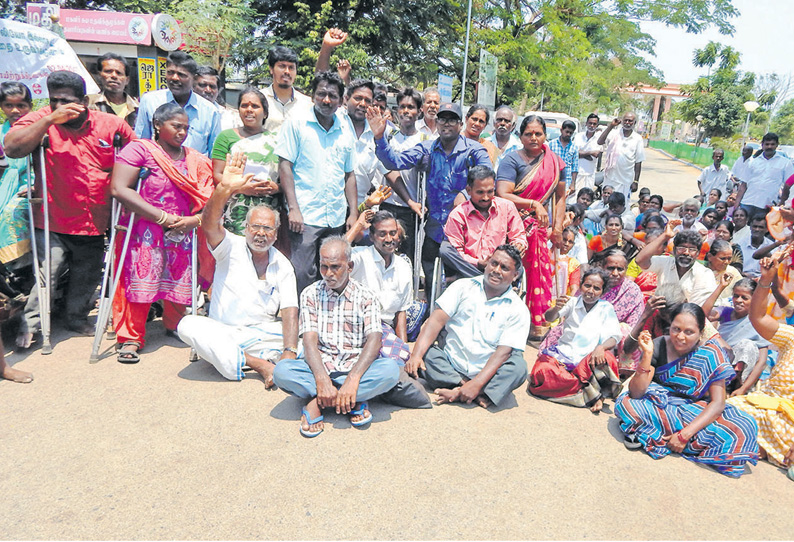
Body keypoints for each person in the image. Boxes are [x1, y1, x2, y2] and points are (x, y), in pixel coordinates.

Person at [4, 71, 135, 348]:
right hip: (53, 216)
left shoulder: (111, 124)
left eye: (68, 101)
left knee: (87, 273)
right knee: (47, 273)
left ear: (84, 101)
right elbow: (13, 148)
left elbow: (136, 156)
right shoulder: (41, 119)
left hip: (94, 216)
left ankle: (75, 317)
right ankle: (33, 326)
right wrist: (50, 119)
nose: (61, 106)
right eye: (55, 101)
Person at [177, 152, 298, 385]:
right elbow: (209, 223)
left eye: (268, 229)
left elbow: (290, 310)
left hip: (262, 334)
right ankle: (258, 363)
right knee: (188, 325)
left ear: (276, 233)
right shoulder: (230, 245)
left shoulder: (282, 264)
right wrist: (224, 189)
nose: (261, 233)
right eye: (256, 227)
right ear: (245, 228)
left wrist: (290, 351)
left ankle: (235, 357)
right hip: (226, 331)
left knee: (304, 339)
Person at [110, 103, 213, 362]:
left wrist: (194, 220)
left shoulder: (194, 158)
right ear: (158, 125)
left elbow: (209, 196)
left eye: (186, 128)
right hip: (145, 228)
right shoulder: (140, 149)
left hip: (182, 228)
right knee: (140, 279)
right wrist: (162, 217)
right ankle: (131, 337)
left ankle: (176, 324)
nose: (182, 133)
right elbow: (119, 188)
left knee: (179, 276)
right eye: (176, 126)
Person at [272, 236, 400, 438]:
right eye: (324, 267)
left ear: (349, 266)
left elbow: (374, 340)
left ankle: (319, 401)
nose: (328, 274)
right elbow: (309, 341)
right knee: (282, 371)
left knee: (391, 370)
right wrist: (322, 379)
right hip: (319, 369)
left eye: (335, 267)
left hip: (356, 368)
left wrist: (353, 379)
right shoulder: (310, 294)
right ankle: (350, 401)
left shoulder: (367, 296)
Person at [615, 303, 759, 478]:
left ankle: (657, 435)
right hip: (662, 405)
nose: (680, 337)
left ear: (701, 332)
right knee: (625, 404)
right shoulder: (659, 345)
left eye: (689, 332)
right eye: (676, 329)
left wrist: (684, 435)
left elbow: (718, 403)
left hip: (695, 410)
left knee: (745, 425)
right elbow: (637, 392)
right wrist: (646, 356)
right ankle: (679, 439)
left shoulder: (711, 354)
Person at [370, 102, 491, 282]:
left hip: (465, 230)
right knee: (430, 277)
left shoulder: (474, 151)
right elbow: (393, 162)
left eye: (452, 120)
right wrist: (380, 137)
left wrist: (465, 195)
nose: (446, 123)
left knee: (460, 282)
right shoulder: (427, 147)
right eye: (442, 119)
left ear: (460, 124)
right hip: (435, 228)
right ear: (437, 122)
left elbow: (488, 176)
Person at [406, 245, 530, 408]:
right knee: (427, 354)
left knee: (518, 368)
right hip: (452, 364)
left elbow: (503, 353)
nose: (496, 270)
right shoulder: (462, 287)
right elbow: (435, 321)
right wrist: (415, 355)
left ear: (515, 276)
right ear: (487, 263)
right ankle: (475, 391)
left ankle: (464, 391)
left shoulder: (518, 309)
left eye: (504, 268)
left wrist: (477, 382)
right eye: (494, 263)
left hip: (489, 372)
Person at [276, 71, 357, 294]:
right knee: (302, 272)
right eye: (321, 94)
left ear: (341, 100)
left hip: (336, 217)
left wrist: (353, 214)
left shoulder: (345, 126)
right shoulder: (297, 123)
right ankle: (303, 321)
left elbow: (349, 174)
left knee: (335, 271)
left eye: (332, 95)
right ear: (313, 96)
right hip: (305, 217)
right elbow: (285, 166)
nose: (326, 100)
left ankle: (328, 319)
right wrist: (293, 208)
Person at [495, 115, 566, 339]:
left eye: (538, 133)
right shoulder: (511, 160)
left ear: (545, 135)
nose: (534, 138)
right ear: (521, 135)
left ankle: (538, 321)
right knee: (508, 272)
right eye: (529, 134)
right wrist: (533, 204)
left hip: (540, 227)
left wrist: (557, 229)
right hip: (512, 224)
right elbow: (503, 193)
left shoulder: (555, 162)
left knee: (539, 273)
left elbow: (561, 197)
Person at [727, 254, 794, 479]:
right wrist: (765, 282)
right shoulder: (792, 338)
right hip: (762, 407)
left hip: (789, 427)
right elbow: (757, 318)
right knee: (726, 410)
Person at [529, 268, 623, 413]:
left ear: (603, 292)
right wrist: (556, 308)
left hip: (588, 361)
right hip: (564, 355)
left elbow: (615, 336)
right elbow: (549, 318)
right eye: (587, 285)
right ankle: (589, 393)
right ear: (581, 286)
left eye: (596, 288)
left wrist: (601, 348)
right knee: (541, 371)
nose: (590, 291)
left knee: (608, 358)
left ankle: (583, 392)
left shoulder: (606, 308)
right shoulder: (571, 302)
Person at [210, 87, 282, 237]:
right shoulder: (226, 137)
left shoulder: (278, 140)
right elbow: (217, 174)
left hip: (269, 207)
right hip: (236, 207)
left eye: (255, 106)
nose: (249, 110)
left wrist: (277, 188)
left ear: (265, 113)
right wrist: (241, 188)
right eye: (244, 106)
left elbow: (287, 177)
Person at [441, 165, 526, 278]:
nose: (486, 197)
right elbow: (457, 251)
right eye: (480, 192)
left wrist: (518, 244)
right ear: (469, 191)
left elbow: (518, 235)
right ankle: (484, 280)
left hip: (500, 268)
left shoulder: (507, 207)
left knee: (517, 264)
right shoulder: (458, 214)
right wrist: (478, 263)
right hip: (470, 269)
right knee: (445, 249)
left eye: (490, 192)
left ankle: (490, 280)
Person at [135, 51, 221, 156]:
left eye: (181, 74)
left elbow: (215, 152)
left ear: (193, 78)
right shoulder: (150, 101)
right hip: (158, 169)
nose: (174, 78)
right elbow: (141, 144)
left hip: (195, 170)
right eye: (170, 72)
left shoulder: (209, 111)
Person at [378, 87, 427, 263]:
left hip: (410, 210)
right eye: (402, 106)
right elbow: (389, 171)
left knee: (406, 256)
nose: (406, 111)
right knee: (383, 252)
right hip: (388, 204)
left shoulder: (424, 140)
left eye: (411, 107)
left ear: (419, 111)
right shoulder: (388, 136)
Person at [702, 276, 769, 394]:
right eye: (736, 296)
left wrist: (743, 389)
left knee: (747, 345)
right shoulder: (726, 312)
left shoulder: (759, 323)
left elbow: (762, 361)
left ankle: (732, 386)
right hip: (719, 362)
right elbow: (702, 315)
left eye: (744, 298)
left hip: (740, 378)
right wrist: (721, 287)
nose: (738, 300)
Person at [635, 221, 717, 305]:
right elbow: (640, 260)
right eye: (681, 248)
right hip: (660, 311)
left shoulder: (705, 274)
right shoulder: (665, 262)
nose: (686, 252)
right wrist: (665, 236)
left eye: (692, 249)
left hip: (686, 315)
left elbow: (696, 308)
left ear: (698, 253)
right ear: (674, 250)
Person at [0, 82, 33, 269]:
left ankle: (19, 268)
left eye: (21, 105)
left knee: (10, 213)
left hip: (30, 186)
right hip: (3, 184)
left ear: (30, 106)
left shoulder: (38, 132)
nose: (15, 110)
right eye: (8, 105)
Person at [736, 133, 794, 218]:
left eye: (772, 144)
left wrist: (782, 203)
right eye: (767, 144)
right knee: (741, 230)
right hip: (747, 203)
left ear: (777, 145)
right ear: (762, 145)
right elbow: (743, 185)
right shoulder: (752, 162)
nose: (769, 147)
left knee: (761, 230)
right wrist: (737, 204)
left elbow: (788, 186)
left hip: (767, 206)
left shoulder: (785, 163)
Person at [262, 46, 312, 134]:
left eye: (291, 67)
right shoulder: (258, 100)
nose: (287, 72)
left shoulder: (307, 104)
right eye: (282, 66)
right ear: (271, 69)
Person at [597, 112, 645, 200]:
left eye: (630, 121)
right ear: (622, 121)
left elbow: (638, 162)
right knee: (606, 203)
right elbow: (600, 142)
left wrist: (636, 181)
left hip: (625, 180)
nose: (627, 123)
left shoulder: (637, 139)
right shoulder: (614, 134)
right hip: (610, 177)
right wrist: (611, 126)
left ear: (634, 123)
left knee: (621, 206)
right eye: (625, 120)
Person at [87, 52, 138, 127]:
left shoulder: (137, 108)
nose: (114, 76)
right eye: (108, 71)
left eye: (119, 73)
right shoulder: (89, 103)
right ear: (99, 76)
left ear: (127, 80)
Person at [194, 66, 241, 131]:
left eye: (212, 86)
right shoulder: (182, 113)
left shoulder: (230, 118)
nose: (208, 90)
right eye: (202, 85)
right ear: (192, 87)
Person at [704, 239, 742, 307]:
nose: (726, 262)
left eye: (729, 258)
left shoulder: (733, 272)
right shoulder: (701, 271)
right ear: (710, 257)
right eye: (723, 258)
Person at [548, 119, 579, 200]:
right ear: (561, 130)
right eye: (567, 131)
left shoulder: (574, 148)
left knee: (563, 204)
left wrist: (573, 184)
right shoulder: (551, 144)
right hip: (552, 180)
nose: (568, 134)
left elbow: (575, 168)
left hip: (567, 181)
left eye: (571, 133)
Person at [484, 105, 522, 170]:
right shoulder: (484, 144)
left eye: (507, 121)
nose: (502, 123)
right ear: (494, 123)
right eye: (499, 120)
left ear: (513, 126)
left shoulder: (519, 147)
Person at [550, 225, 582, 301]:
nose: (566, 244)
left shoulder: (574, 264)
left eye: (570, 242)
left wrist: (567, 304)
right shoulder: (546, 256)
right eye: (564, 240)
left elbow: (574, 288)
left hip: (561, 303)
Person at [573, 113, 603, 193]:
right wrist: (590, 152)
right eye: (590, 123)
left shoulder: (599, 139)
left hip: (590, 174)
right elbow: (574, 153)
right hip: (577, 173)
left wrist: (582, 153)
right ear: (586, 123)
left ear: (597, 125)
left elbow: (596, 155)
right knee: (573, 198)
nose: (592, 125)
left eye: (594, 124)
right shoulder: (578, 136)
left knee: (586, 199)